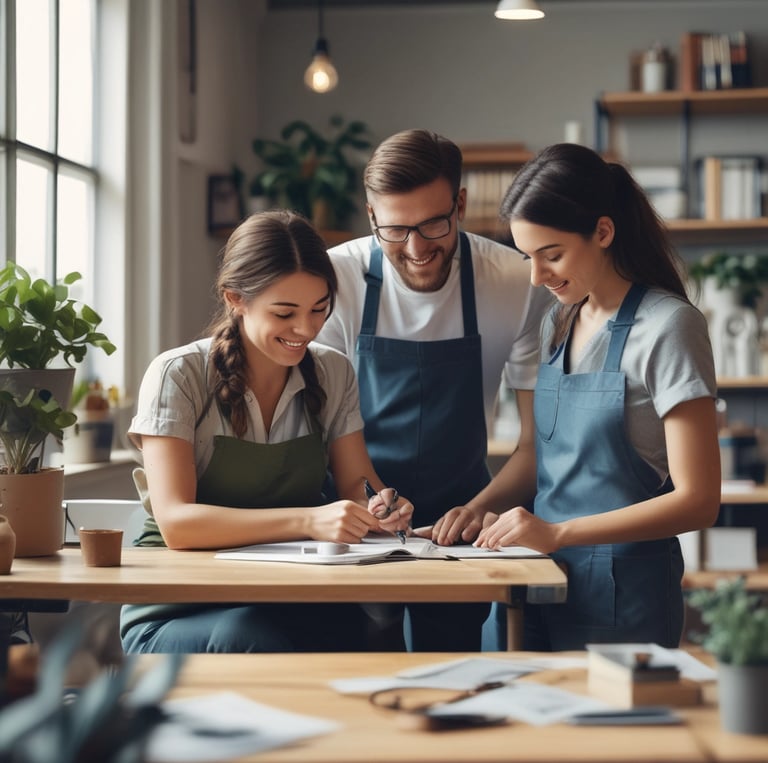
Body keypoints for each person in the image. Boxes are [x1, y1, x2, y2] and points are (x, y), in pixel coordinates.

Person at [120, 210, 412, 654]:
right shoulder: (178, 375)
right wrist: (309, 520)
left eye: (319, 309)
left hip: (287, 594)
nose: (306, 329)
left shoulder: (332, 371)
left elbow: (359, 484)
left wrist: (378, 507)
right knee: (251, 635)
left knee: (368, 636)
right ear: (235, 298)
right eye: (285, 312)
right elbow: (178, 523)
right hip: (178, 609)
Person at [473, 143, 721, 650]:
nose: (538, 277)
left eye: (553, 255)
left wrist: (559, 534)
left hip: (623, 598)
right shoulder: (557, 322)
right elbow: (542, 457)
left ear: (603, 232)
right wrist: (481, 509)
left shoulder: (669, 327)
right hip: (535, 580)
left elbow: (698, 502)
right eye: (528, 258)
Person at [316, 129, 552, 651]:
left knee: (457, 679)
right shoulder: (336, 279)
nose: (418, 249)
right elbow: (326, 431)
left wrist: (477, 508)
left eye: (433, 225)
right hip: (357, 517)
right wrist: (375, 505)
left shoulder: (515, 281)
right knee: (357, 672)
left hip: (462, 524)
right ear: (371, 215)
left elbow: (536, 446)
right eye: (396, 230)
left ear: (461, 203)